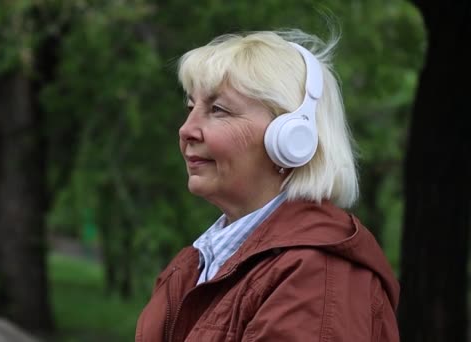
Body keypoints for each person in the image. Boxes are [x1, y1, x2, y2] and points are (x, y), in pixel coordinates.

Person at [136, 30, 399, 341]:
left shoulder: (315, 276)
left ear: (291, 138)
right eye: (190, 107)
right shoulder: (196, 265)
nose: (187, 129)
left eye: (218, 110)